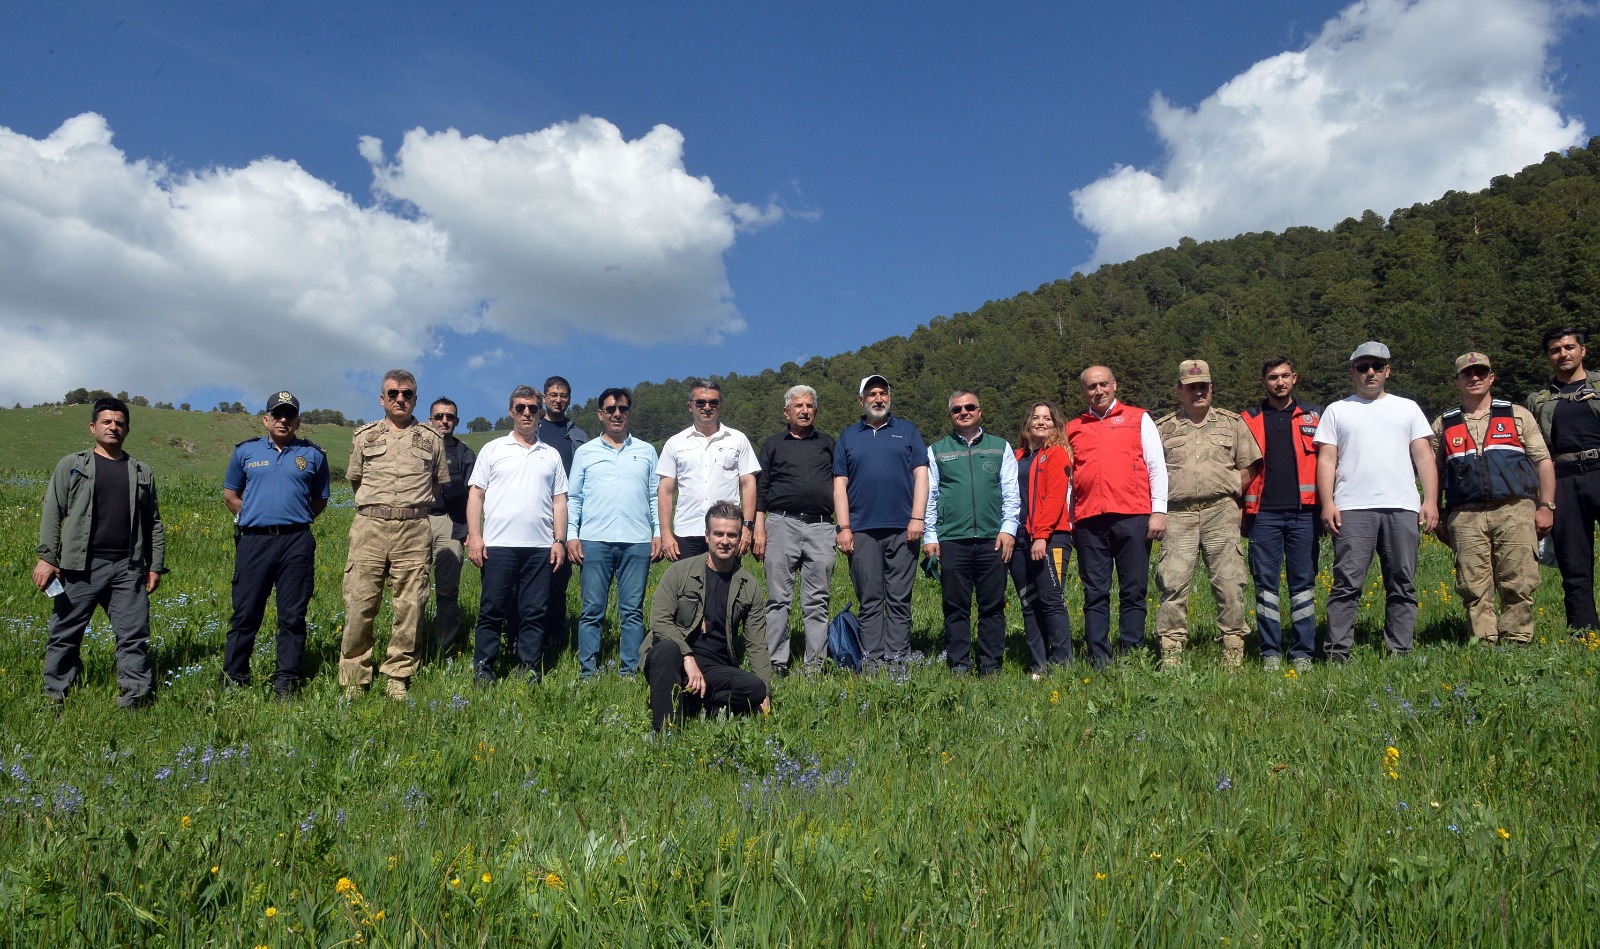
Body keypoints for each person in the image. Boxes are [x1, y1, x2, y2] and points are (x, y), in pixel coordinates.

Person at [34, 396, 166, 709]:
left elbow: (154, 522)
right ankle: (55, 698)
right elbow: (53, 511)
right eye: (106, 422)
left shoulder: (141, 471)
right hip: (80, 566)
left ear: (127, 430)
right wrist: (47, 557)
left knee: (133, 636)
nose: (113, 427)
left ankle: (133, 701)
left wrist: (155, 564)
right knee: (64, 634)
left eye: (119, 423)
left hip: (128, 567)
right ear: (93, 426)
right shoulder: (73, 465)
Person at [1315, 341, 1439, 661]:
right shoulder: (1337, 410)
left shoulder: (1408, 408)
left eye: (1377, 367)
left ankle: (1400, 651)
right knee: (1346, 584)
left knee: (1403, 583)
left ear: (1387, 371)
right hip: (1352, 507)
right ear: (1352, 372)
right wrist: (1327, 503)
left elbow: (1424, 458)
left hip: (1402, 505)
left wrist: (1431, 502)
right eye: (1362, 367)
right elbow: (1327, 460)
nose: (1370, 373)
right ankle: (1337, 654)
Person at [340, 370, 450, 701]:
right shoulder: (365, 436)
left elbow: (436, 484)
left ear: (415, 398)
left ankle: (397, 676)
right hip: (369, 528)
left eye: (407, 393)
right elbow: (357, 482)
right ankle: (354, 679)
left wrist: (406, 510)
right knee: (360, 603)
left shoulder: (432, 439)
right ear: (382, 398)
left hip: (414, 529)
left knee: (411, 605)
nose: (399, 398)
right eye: (393, 393)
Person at [1435, 352, 1554, 645]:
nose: (1474, 378)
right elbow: (1432, 472)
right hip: (1464, 514)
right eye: (1467, 374)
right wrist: (1435, 511)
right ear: (1457, 382)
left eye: (1480, 373)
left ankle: (1517, 641)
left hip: (1515, 508)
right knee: (1473, 585)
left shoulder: (1517, 414)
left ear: (1491, 378)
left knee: (1518, 579)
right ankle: (1484, 642)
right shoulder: (1443, 424)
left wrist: (1547, 506)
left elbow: (1543, 462)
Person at [220, 390, 330, 697]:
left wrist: (296, 517)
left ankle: (287, 682)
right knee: (245, 614)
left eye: (289, 415)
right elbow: (230, 495)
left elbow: (321, 499)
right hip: (254, 543)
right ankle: (234, 679)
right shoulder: (246, 452)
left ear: (297, 421)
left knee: (292, 616)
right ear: (266, 419)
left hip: (296, 542)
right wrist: (255, 513)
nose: (283, 420)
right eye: (277, 415)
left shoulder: (313, 455)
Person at [1154, 361, 1261, 670]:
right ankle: (1171, 653)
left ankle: (1233, 652)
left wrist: (1228, 488)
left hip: (1220, 512)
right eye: (1191, 387)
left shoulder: (1232, 423)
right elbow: (1151, 470)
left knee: (1230, 583)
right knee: (1173, 583)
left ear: (1212, 388)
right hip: (1178, 514)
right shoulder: (1164, 428)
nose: (1198, 392)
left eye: (1203, 387)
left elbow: (1250, 464)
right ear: (1179, 391)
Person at [1066, 366, 1168, 668]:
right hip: (1088, 521)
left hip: (1132, 515)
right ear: (1084, 391)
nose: (1098, 391)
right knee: (1095, 593)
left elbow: (1155, 464)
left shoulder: (1138, 418)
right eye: (1091, 387)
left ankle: (1131, 654)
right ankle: (1099, 659)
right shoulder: (1073, 427)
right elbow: (1070, 478)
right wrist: (1070, 520)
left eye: (1103, 384)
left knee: (1133, 590)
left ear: (1115, 384)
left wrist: (1158, 510)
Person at [467, 385, 569, 684]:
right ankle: (484, 669)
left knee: (534, 612)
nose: (527, 413)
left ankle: (529, 668)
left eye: (533, 408)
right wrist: (475, 535)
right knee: (492, 610)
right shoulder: (493, 449)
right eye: (521, 408)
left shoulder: (550, 455)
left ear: (540, 413)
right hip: (498, 546)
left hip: (539, 547)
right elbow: (476, 494)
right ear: (511, 411)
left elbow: (559, 500)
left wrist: (559, 540)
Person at [642, 501, 773, 731]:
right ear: (706, 536)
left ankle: (696, 701)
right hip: (676, 659)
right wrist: (688, 656)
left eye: (732, 535)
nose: (725, 541)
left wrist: (766, 693)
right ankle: (666, 732)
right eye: (718, 534)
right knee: (666, 649)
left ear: (740, 537)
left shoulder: (748, 586)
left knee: (755, 687)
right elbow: (659, 621)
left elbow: (757, 645)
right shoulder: (680, 572)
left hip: (715, 667)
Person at [833, 374, 929, 670]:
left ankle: (897, 659)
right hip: (861, 531)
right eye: (872, 393)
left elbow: (922, 476)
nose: (878, 398)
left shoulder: (908, 431)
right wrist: (844, 527)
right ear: (861, 400)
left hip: (903, 529)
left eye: (883, 393)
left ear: (889, 397)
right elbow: (839, 485)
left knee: (899, 598)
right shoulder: (848, 436)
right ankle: (872, 659)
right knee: (870, 598)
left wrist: (917, 518)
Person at [566, 387, 660, 678]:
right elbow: (575, 497)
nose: (617, 414)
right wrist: (572, 535)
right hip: (595, 539)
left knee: (632, 611)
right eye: (611, 410)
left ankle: (630, 670)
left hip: (637, 540)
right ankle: (587, 672)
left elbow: (654, 495)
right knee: (592, 610)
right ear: (600, 414)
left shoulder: (646, 451)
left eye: (623, 409)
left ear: (629, 413)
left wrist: (658, 532)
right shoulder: (585, 452)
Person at [925, 390, 1019, 675]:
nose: (963, 412)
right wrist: (931, 536)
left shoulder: (1000, 447)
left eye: (969, 407)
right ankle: (959, 664)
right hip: (952, 539)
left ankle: (991, 666)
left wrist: (1008, 530)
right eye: (957, 409)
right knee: (956, 606)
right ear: (950, 416)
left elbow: (1011, 494)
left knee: (993, 605)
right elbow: (930, 496)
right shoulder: (936, 450)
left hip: (994, 539)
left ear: (980, 411)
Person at [1242, 357, 1322, 672]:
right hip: (1263, 515)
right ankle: (1270, 652)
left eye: (1285, 376)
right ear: (1264, 382)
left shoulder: (1315, 417)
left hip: (1304, 514)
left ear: (1295, 379)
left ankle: (1303, 653)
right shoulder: (1247, 419)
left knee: (1303, 584)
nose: (1280, 382)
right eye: (1273, 377)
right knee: (1266, 586)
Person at [753, 385, 837, 676]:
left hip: (822, 526)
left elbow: (840, 485)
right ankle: (776, 662)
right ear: (786, 412)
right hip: (781, 524)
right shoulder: (773, 444)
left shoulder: (828, 443)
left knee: (818, 599)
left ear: (815, 410)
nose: (804, 411)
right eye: (798, 406)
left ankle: (815, 665)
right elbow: (761, 489)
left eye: (809, 406)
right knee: (778, 599)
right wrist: (758, 529)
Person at [1526, 327, 1600, 631]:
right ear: (1548, 358)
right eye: (1555, 350)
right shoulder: (1538, 400)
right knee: (1574, 563)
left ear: (1582, 350)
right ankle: (1584, 633)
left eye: (1569, 347)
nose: (1563, 354)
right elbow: (1534, 453)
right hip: (1563, 481)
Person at [656, 379, 759, 561]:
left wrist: (747, 527)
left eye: (713, 402)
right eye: (700, 402)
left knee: (726, 587)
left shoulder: (737, 439)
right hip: (688, 531)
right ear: (690, 406)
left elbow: (749, 483)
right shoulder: (675, 443)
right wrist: (665, 533)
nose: (707, 407)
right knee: (689, 588)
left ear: (720, 405)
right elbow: (665, 491)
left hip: (726, 531)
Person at [1011, 401, 1075, 675]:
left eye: (1046, 419)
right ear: (1026, 424)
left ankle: (1061, 666)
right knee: (1028, 603)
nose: (1040, 422)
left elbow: (1054, 499)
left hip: (1050, 538)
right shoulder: (1016, 456)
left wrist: (1042, 536)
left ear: (1055, 424)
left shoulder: (1057, 454)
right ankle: (1038, 664)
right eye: (1035, 418)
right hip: (1019, 539)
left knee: (1051, 601)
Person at [536, 376, 589, 661]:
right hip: (534, 512)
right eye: (554, 395)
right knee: (530, 580)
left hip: (565, 514)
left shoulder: (578, 436)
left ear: (569, 399)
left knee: (559, 578)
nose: (558, 399)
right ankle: (526, 635)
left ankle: (554, 639)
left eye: (564, 395)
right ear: (544, 397)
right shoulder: (533, 426)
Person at [426, 396, 476, 659]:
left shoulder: (465, 454)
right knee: (411, 587)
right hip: (415, 520)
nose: (444, 421)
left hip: (450, 522)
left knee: (447, 589)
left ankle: (443, 648)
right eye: (439, 416)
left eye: (449, 417)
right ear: (429, 419)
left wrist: (469, 529)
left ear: (456, 421)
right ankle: (411, 646)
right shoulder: (416, 448)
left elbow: (474, 495)